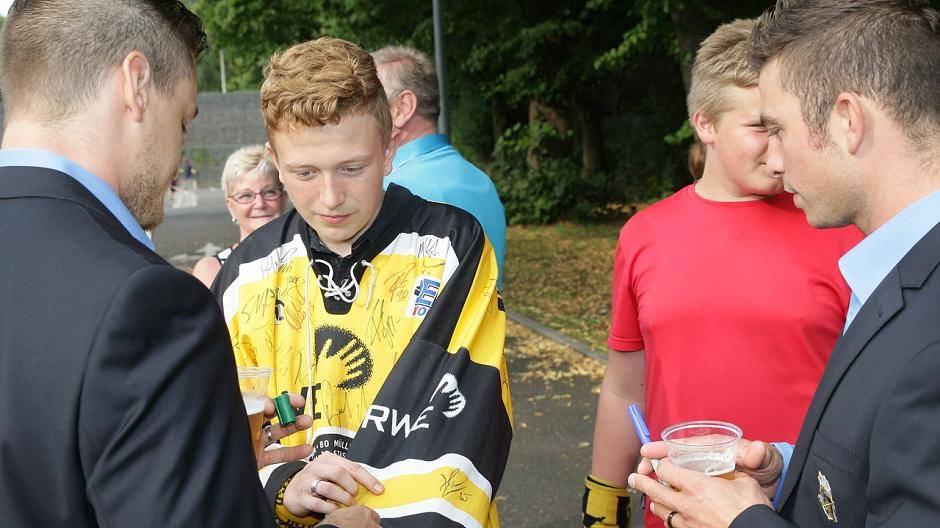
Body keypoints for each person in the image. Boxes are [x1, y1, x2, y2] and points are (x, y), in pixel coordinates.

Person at [0, 2, 377, 527]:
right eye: (183, 120)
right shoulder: (144, 302)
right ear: (136, 84)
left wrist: (206, 458)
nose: (178, 156)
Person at [629, 1, 940, 527]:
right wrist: (788, 472)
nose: (774, 161)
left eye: (778, 129)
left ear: (847, 121)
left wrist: (741, 521)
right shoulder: (897, 271)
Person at [212, 37, 512, 528]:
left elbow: (464, 436)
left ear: (389, 147)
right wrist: (285, 486)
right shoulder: (243, 274)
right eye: (304, 172)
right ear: (275, 160)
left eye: (352, 168)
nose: (330, 197)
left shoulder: (451, 247)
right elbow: (217, 441)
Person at [582, 18, 863, 528]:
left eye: (787, 127)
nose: (780, 148)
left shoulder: (842, 229)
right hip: (675, 510)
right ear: (705, 125)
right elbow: (625, 387)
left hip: (807, 511)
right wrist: (604, 498)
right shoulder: (644, 235)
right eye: (760, 128)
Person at [371, 45, 507, 287]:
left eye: (368, 102)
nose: (355, 115)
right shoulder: (482, 182)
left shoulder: (388, 188)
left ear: (402, 107)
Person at [192, 145, 288, 287]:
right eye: (246, 196)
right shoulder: (213, 270)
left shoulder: (308, 255)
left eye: (269, 192)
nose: (260, 204)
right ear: (231, 206)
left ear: (284, 198)